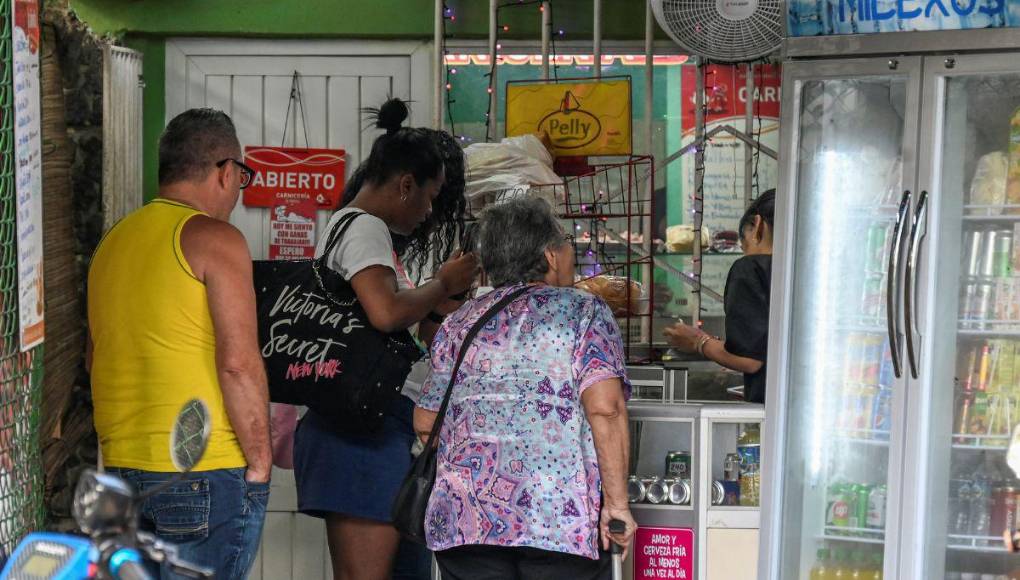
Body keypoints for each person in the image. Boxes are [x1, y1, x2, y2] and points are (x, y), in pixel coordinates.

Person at [292, 98, 479, 580]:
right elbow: (385, 312)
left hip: (372, 428)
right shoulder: (365, 228)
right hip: (359, 432)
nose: (430, 211)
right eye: (430, 197)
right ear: (405, 185)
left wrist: (436, 304)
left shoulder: (353, 228)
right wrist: (441, 283)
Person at [87, 108, 272, 579]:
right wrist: (261, 461)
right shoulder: (216, 239)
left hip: (122, 471)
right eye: (241, 177)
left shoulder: (112, 243)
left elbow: (96, 356)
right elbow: (237, 363)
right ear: (226, 172)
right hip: (202, 470)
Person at [414, 197, 636, 580]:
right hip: (557, 523)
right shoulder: (584, 312)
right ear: (551, 256)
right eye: (566, 244)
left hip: (467, 524)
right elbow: (606, 409)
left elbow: (425, 422)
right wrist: (616, 504)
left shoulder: (459, 322)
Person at [664, 189, 775, 404]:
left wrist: (698, 341)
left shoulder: (751, 269)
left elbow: (749, 359)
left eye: (745, 245)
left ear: (757, 225)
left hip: (771, 410)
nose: (746, 253)